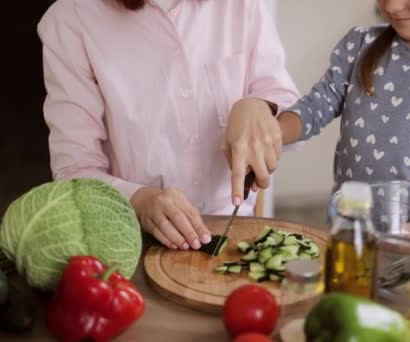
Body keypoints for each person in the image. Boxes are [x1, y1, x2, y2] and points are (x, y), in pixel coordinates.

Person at [224, 0, 410, 238]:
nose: (392, 5)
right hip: (348, 236)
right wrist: (267, 132)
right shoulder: (360, 45)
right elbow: (314, 109)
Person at [37, 0, 299, 250]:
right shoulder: (71, 19)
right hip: (130, 238)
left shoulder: (241, 5)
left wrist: (261, 107)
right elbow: (73, 170)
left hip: (235, 234)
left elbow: (291, 108)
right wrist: (138, 200)